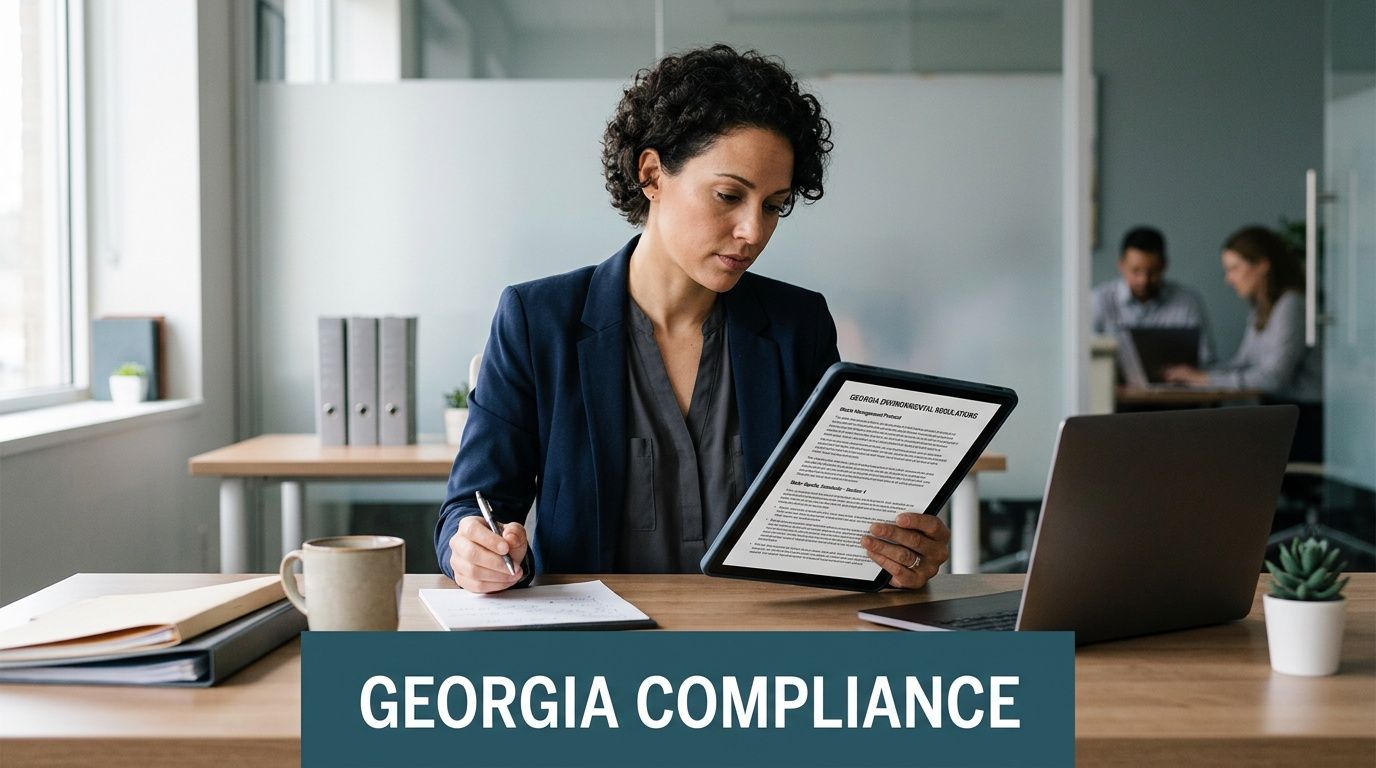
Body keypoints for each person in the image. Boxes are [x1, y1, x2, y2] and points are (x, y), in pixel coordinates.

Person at [435, 45, 950, 594]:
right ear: (652, 174)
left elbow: (838, 515)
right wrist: (473, 550)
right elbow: (470, 507)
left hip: (761, 635)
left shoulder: (797, 326)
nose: (753, 231)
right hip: (596, 639)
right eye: (729, 195)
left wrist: (899, 553)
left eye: (773, 206)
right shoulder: (538, 321)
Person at [1163, 225, 1323, 460]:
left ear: (1262, 265)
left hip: (1304, 421)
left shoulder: (1291, 306)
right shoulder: (1261, 309)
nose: (1229, 279)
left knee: (1206, 447)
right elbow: (1242, 364)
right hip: (1279, 416)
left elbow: (1272, 379)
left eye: (1234, 268)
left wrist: (1204, 379)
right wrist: (1193, 375)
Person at [1091, 226, 1215, 366]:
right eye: (1136, 271)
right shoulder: (1098, 300)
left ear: (1164, 266)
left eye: (1152, 272)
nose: (1143, 280)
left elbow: (1205, 358)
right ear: (1121, 265)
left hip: (1175, 380)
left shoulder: (1186, 302)